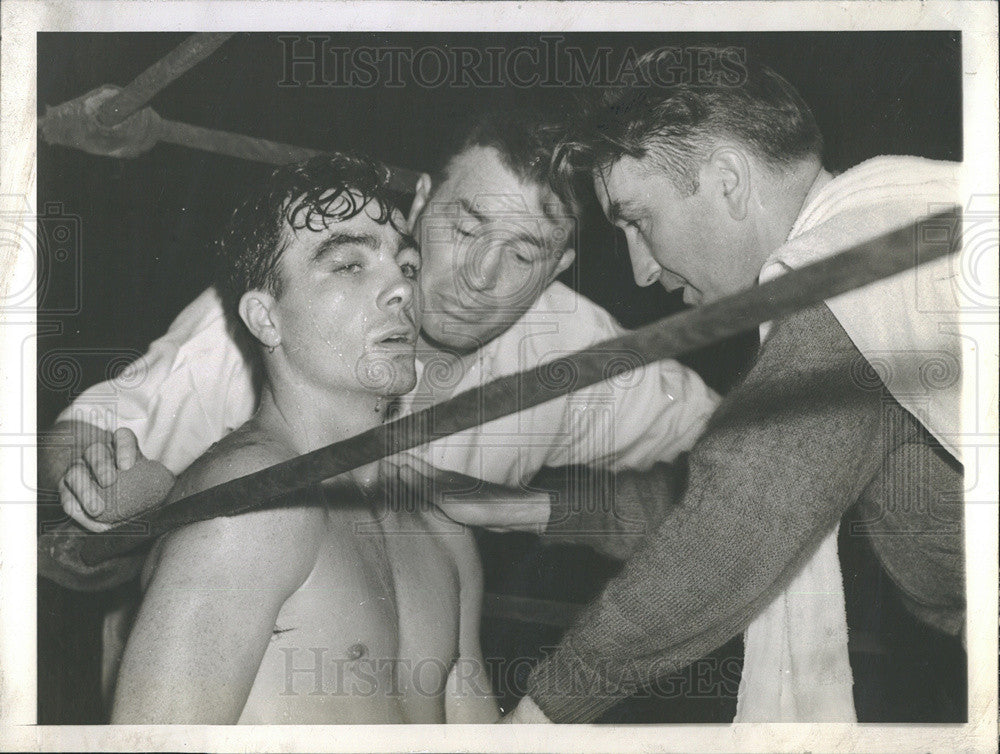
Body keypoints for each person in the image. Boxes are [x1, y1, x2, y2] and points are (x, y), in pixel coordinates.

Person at [38, 109, 718, 705]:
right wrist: (122, 498)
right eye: (466, 226)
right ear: (422, 199)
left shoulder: (576, 353)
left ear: (560, 264)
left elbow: (753, 457)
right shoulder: (288, 311)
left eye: (522, 252)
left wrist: (550, 512)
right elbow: (90, 435)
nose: (479, 278)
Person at [498, 48, 966, 723]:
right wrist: (537, 509)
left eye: (637, 220)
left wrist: (536, 719)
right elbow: (728, 493)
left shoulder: (846, 276)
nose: (639, 270)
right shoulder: (894, 222)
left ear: (728, 181)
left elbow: (739, 523)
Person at [111, 152, 499, 724]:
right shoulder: (252, 503)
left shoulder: (441, 527)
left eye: (408, 267)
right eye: (349, 265)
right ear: (267, 319)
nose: (401, 288)